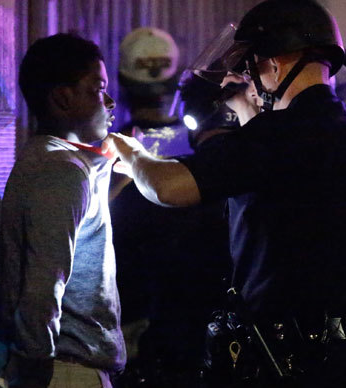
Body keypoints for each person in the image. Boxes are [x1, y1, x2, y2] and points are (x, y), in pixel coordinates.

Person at [103, 1, 346, 387]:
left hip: (286, 364)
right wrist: (248, 112)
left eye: (251, 67)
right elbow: (284, 191)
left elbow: (169, 187)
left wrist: (130, 152)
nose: (250, 79)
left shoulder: (274, 137)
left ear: (275, 64)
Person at [0, 33, 125, 388]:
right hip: (66, 370)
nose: (110, 101)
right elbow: (43, 283)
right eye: (98, 88)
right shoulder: (62, 171)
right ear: (63, 98)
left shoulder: (51, 159)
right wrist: (36, 363)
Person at [111, 33, 234, 387]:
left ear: (121, 81)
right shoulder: (208, 150)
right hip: (199, 323)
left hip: (131, 326)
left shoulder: (109, 153)